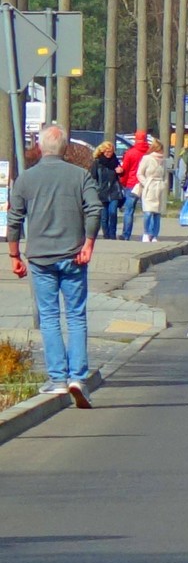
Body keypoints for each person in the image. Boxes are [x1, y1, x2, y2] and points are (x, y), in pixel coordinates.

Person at [7, 125, 101, 407]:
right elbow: (94, 209)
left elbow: (14, 219)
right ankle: (78, 377)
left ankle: (58, 379)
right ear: (65, 149)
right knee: (76, 316)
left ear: (40, 148)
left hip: (40, 258)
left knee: (49, 317)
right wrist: (88, 245)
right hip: (74, 256)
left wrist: (14, 256)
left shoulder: (26, 179)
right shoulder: (80, 176)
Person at [118, 129, 149, 240]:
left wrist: (123, 182)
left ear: (136, 139)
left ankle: (126, 235)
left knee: (129, 211)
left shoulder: (131, 153)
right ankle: (148, 234)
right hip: (147, 184)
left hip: (132, 184)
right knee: (148, 210)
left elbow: (125, 169)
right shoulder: (149, 153)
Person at [91, 142, 124, 239]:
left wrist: (121, 172)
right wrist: (96, 189)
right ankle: (106, 234)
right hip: (102, 192)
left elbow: (120, 174)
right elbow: (93, 177)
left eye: (111, 151)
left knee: (113, 213)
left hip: (114, 191)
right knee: (104, 216)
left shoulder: (115, 161)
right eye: (107, 151)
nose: (109, 153)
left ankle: (112, 234)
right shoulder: (97, 162)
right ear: (103, 151)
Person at [137, 139, 168, 243]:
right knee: (148, 212)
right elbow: (140, 173)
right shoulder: (147, 159)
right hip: (149, 187)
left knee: (157, 214)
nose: (161, 152)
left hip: (159, 188)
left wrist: (164, 185)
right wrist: (146, 184)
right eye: (159, 149)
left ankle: (154, 235)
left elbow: (165, 175)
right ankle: (146, 233)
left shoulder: (163, 161)